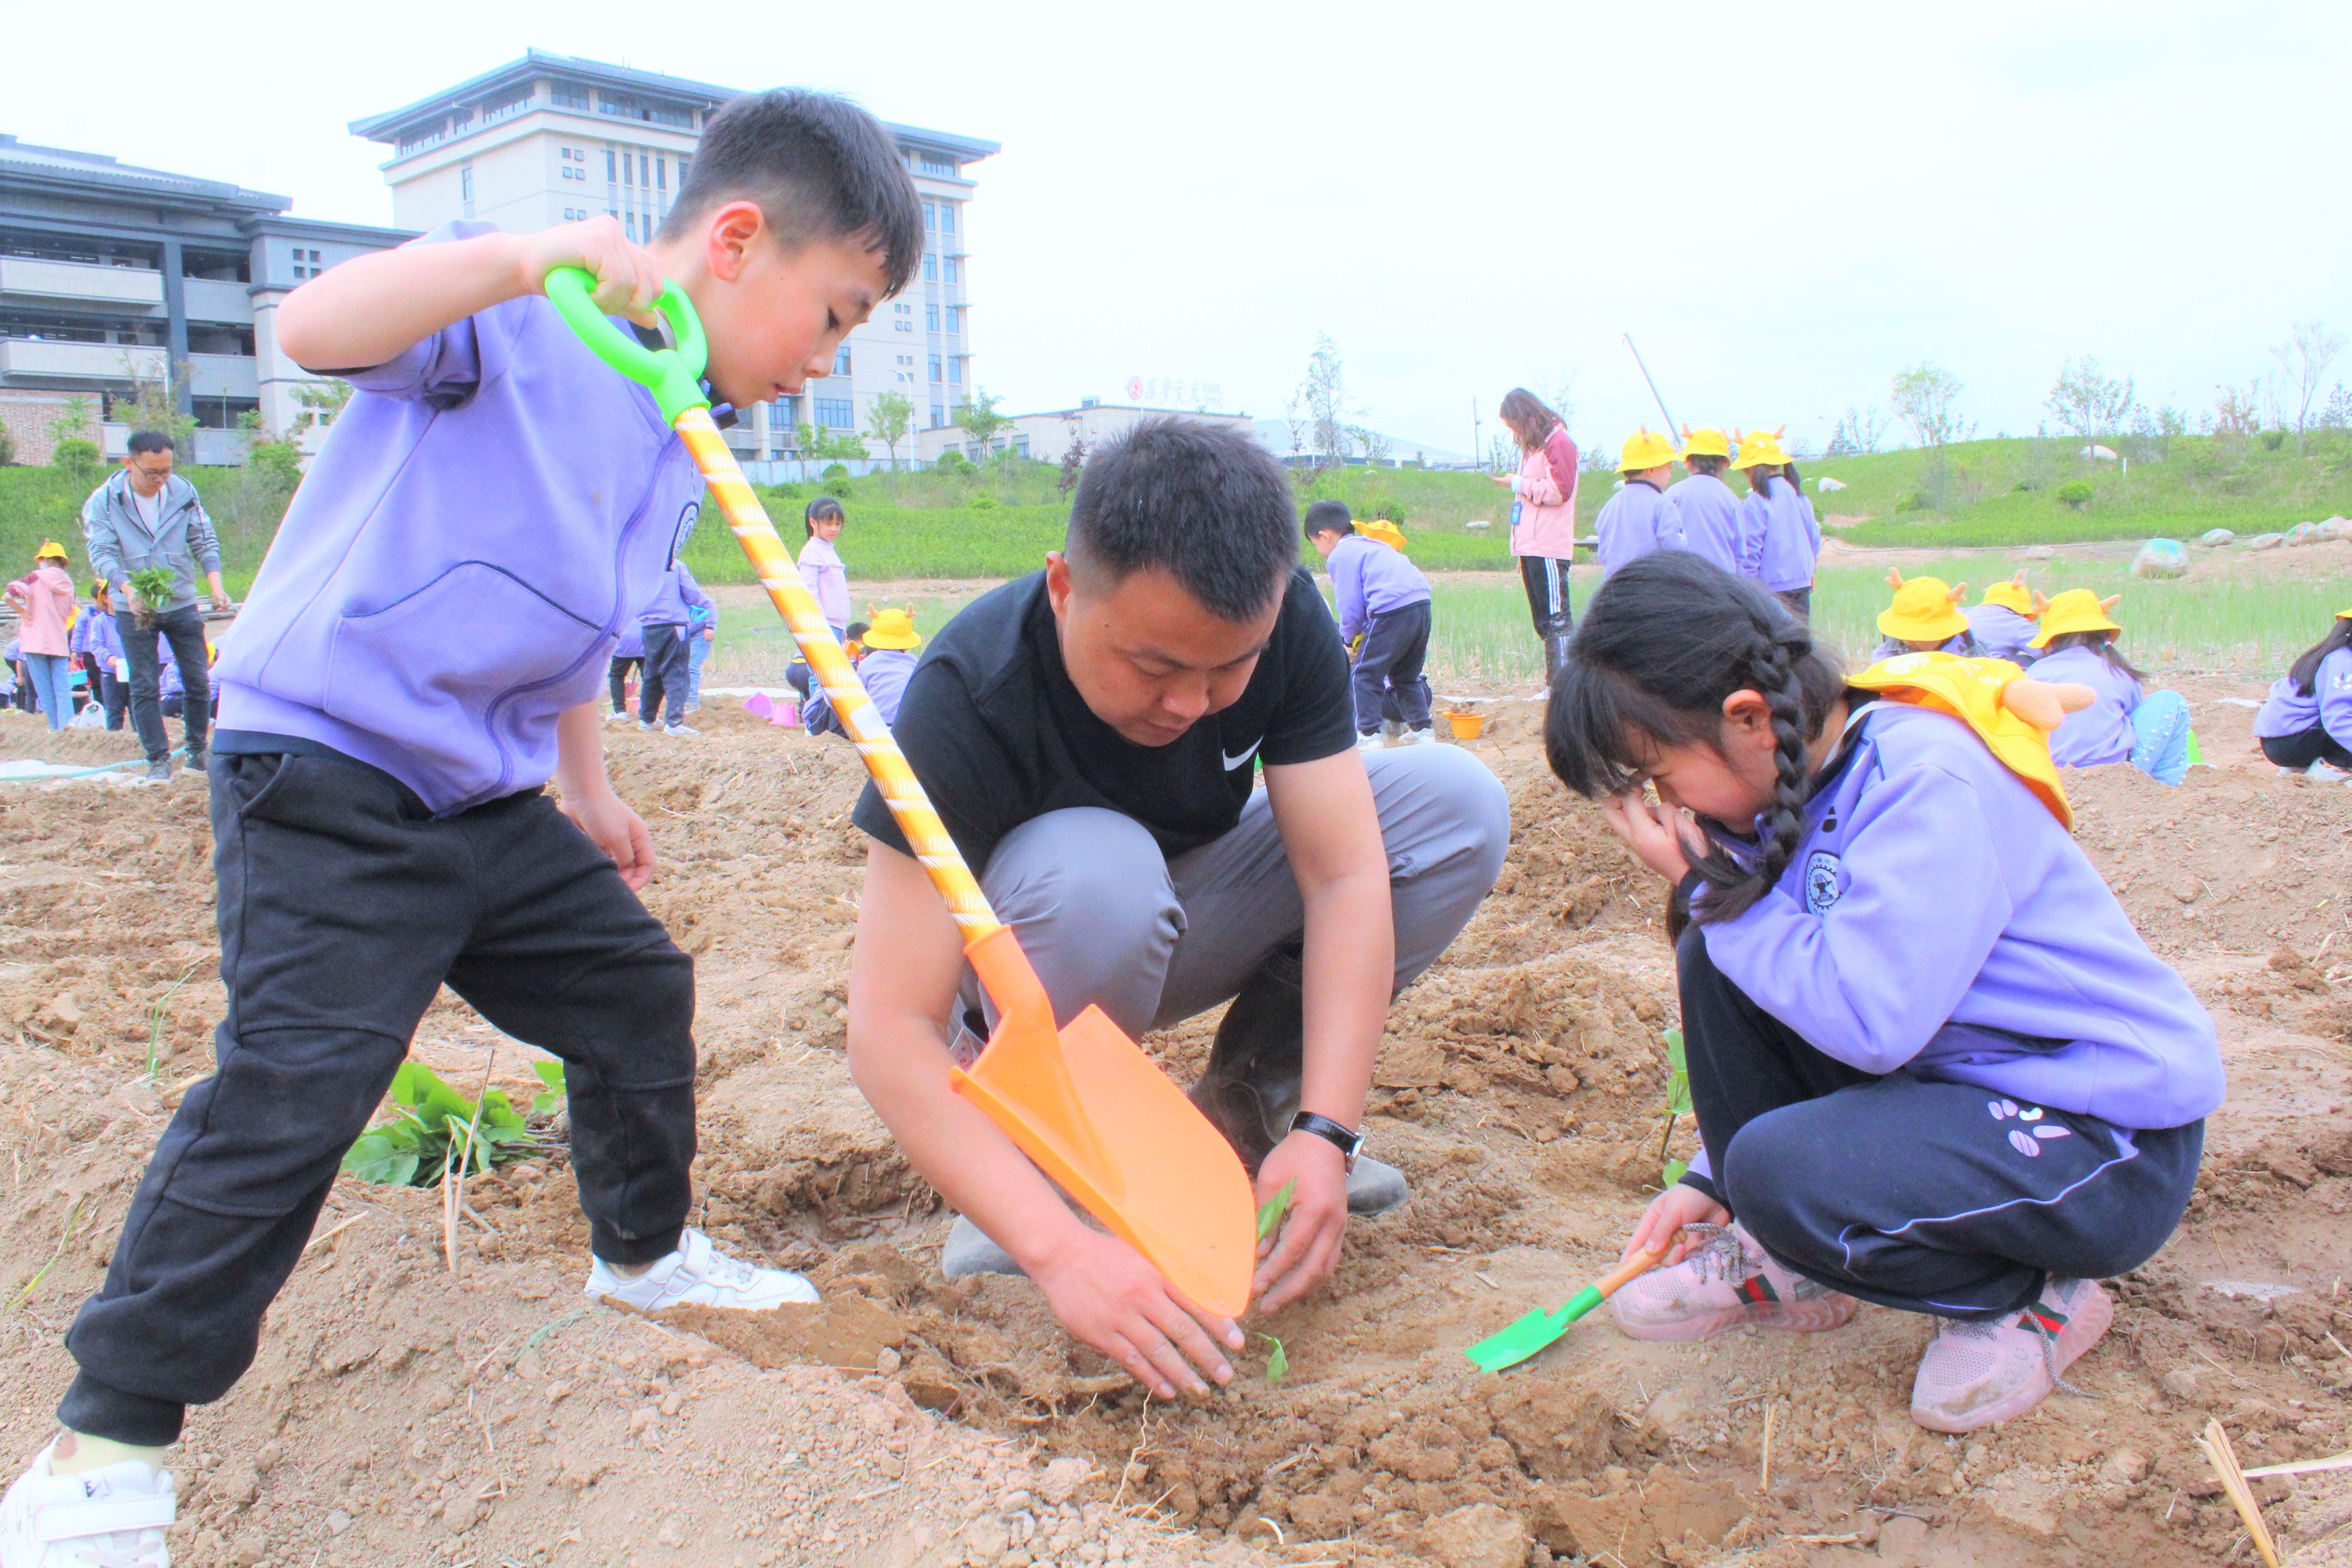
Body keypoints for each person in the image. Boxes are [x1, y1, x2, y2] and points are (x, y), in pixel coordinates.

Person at [0, 86, 925, 1563]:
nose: (823, 361)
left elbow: (570, 626)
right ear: (738, 242)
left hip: (481, 796)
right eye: (834, 316)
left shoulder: (674, 426)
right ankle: (98, 1454)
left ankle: (643, 1257)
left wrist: (589, 784)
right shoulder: (524, 316)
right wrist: (518, 258)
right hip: (329, 772)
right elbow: (316, 329)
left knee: (634, 988)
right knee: (299, 1082)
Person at [845, 419, 1509, 1403]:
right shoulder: (968, 692)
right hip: (1034, 964)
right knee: (1098, 874)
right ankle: (1041, 1168)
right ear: (1065, 587)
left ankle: (1253, 1113)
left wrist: (1329, 1130)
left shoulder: (1284, 625)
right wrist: (1059, 1251)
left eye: (1228, 669)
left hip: (1189, 907)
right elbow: (887, 1027)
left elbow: (1343, 877)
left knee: (1456, 806)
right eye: (1155, 669)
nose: (1192, 704)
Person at [1544, 551, 2221, 1433]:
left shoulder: (1923, 778)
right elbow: (1783, 991)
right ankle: (1787, 1252)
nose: (1661, 805)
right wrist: (1715, 1175)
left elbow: (1871, 1023)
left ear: (1749, 718)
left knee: (1775, 1152)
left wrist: (1705, 890)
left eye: (1659, 778)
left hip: (2099, 1146)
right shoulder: (1785, 789)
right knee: (1720, 956)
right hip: (1960, 1098)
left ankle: (2024, 1297)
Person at [80, 431, 231, 782]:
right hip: (134, 604)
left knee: (198, 679)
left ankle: (197, 753)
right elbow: (102, 551)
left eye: (166, 470)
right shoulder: (105, 500)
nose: (160, 479)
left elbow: (203, 538)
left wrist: (215, 584)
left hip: (180, 600)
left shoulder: (183, 492)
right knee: (145, 683)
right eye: (152, 472)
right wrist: (126, 587)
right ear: (129, 463)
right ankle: (158, 759)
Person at [1307, 500, 1435, 749]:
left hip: (1391, 609)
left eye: (1315, 544)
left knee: (1364, 674)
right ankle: (1422, 730)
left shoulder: (1340, 555)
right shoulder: (1370, 545)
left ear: (1325, 536)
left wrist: (1348, 641)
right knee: (1406, 675)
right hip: (1421, 604)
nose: (1319, 551)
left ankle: (1369, 734)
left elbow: (1350, 606)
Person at [2029, 589, 2191, 785]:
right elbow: (2130, 719)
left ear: (2048, 642)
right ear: (2105, 638)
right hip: (2113, 778)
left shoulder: (2032, 674)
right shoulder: (2118, 673)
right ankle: (2164, 787)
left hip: (2045, 777)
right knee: (2171, 701)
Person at [1492, 389, 1580, 679]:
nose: (1514, 432)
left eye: (1514, 424)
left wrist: (1518, 483)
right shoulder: (1534, 448)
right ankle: (1555, 683)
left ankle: (1563, 687)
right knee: (1543, 622)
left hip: (1548, 546)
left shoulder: (1559, 442)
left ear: (1526, 417)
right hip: (1531, 546)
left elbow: (1559, 491)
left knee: (1557, 620)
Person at [2252, 608, 2352, 776]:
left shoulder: (2334, 655)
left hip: (2287, 738)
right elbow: (2339, 719)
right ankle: (2330, 769)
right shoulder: (2342, 660)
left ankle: (2303, 768)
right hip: (2291, 741)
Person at [1731, 430, 1818, 618]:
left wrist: (1747, 587)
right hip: (1801, 582)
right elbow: (1814, 539)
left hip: (1770, 589)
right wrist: (1809, 573)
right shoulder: (1799, 496)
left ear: (1750, 470)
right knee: (1800, 634)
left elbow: (1751, 551)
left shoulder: (1756, 502)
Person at [806, 608, 919, 736]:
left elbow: (853, 693)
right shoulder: (914, 663)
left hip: (874, 724)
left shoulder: (869, 663)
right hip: (905, 724)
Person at [5, 542, 78, 732]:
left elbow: (8, 596)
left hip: (36, 642)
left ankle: (55, 729)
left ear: (46, 560)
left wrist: (23, 612)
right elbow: (70, 610)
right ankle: (68, 730)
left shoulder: (35, 577)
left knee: (45, 692)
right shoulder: (69, 583)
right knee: (62, 690)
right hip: (59, 641)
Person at [1593, 429, 1686, 578]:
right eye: (1669, 468)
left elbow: (1604, 551)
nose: (1670, 474)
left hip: (1615, 583)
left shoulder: (1611, 504)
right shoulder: (1662, 504)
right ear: (1651, 470)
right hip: (1649, 584)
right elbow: (1674, 551)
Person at [637, 558, 713, 737]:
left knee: (652, 673)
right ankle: (674, 723)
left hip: (649, 627)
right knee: (677, 674)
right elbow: (693, 595)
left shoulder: (640, 564)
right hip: (673, 626)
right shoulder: (675, 565)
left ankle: (647, 719)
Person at [1665, 427, 1744, 575]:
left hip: (1682, 577)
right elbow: (1739, 554)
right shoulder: (1731, 499)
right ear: (1724, 463)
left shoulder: (1673, 493)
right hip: (1722, 580)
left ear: (1688, 462)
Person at [1872, 572, 1984, 660]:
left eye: (1916, 635)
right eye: (1903, 633)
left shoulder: (1970, 652)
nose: (1909, 641)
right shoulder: (1888, 652)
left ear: (1944, 633)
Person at [72, 581, 129, 732]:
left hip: (132, 671)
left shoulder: (131, 621)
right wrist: (109, 658)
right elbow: (96, 644)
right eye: (113, 595)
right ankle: (114, 736)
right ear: (105, 598)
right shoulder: (99, 622)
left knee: (137, 708)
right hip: (110, 673)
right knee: (114, 709)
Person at [800, 495, 851, 636]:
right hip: (824, 626)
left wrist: (843, 627)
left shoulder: (828, 549)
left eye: (838, 524)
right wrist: (820, 623)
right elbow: (809, 590)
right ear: (813, 522)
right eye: (828, 524)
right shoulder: (812, 550)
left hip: (837, 626)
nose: (834, 529)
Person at [1965, 573, 2044, 664]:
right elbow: (2045, 650)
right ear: (2023, 613)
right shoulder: (2018, 623)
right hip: (1984, 667)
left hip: (1953, 664)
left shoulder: (1966, 612)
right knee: (2027, 661)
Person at [685, 590, 719, 713]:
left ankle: (692, 702)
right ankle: (681, 699)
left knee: (691, 666)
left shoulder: (687, 590)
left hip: (701, 630)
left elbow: (709, 604)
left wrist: (709, 626)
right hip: (684, 632)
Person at [607, 619, 645, 723]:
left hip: (624, 643)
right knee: (648, 678)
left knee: (616, 676)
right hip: (644, 640)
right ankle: (648, 712)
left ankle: (620, 711)